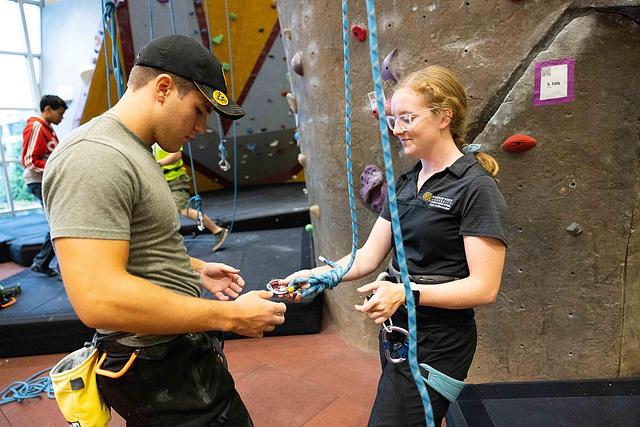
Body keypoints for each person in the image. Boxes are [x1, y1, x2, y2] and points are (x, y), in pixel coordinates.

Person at [43, 34, 286, 426]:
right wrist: (229, 317)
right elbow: (98, 298)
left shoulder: (132, 150)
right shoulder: (95, 157)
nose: (203, 127)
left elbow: (131, 243)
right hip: (156, 365)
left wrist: (193, 268)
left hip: (174, 356)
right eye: (199, 110)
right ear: (163, 88)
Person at [285, 65, 507, 426]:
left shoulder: (474, 188)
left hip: (439, 342)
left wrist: (406, 293)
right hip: (399, 332)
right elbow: (368, 256)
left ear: (443, 117)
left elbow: (484, 288)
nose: (397, 129)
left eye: (407, 118)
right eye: (393, 120)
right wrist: (320, 276)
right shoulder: (406, 184)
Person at [21, 95, 67, 276]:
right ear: (48, 109)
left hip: (46, 181)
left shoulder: (49, 129)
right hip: (38, 182)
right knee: (60, 222)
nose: (61, 118)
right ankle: (58, 266)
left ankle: (42, 263)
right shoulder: (37, 126)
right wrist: (55, 170)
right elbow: (29, 160)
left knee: (58, 223)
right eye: (60, 114)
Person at [153, 144, 229, 251]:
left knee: (184, 210)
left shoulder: (168, 136)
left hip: (175, 179)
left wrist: (157, 164)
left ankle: (218, 230)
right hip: (163, 181)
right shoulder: (153, 142)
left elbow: (177, 155)